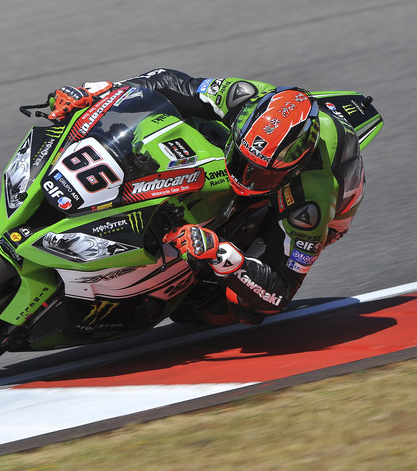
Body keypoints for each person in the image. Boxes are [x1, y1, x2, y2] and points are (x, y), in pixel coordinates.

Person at [46, 69, 366, 326]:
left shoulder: (312, 201)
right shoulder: (242, 97)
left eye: (261, 174)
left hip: (303, 205)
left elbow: (280, 292)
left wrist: (221, 254)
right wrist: (103, 92)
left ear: (295, 165)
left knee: (236, 307)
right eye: (242, 163)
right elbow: (168, 82)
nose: (245, 177)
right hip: (257, 147)